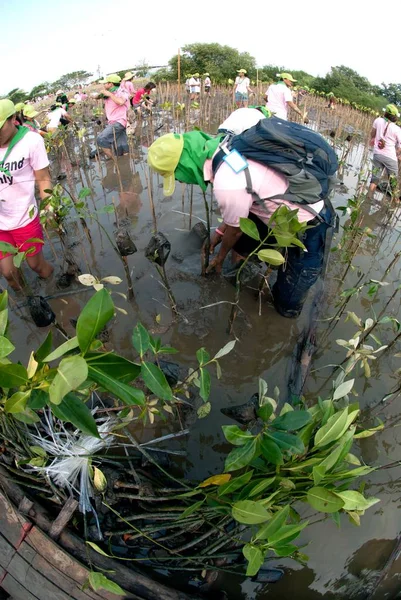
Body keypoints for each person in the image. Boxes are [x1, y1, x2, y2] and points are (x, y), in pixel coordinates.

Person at [148, 126, 334, 318]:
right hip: (275, 212)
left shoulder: (226, 182)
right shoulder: (225, 148)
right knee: (248, 247)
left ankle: (279, 321)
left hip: (309, 221)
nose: (180, 181)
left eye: (176, 175)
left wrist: (219, 259)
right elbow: (243, 202)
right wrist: (220, 233)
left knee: (288, 300)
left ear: (184, 165)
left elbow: (235, 229)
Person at [0, 99, 54, 290]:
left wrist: (48, 207)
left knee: (36, 265)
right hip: (1, 222)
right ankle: (29, 301)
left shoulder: (31, 141)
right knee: (8, 273)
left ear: (13, 118)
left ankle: (54, 288)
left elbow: (43, 178)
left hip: (24, 217)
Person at [368, 104, 401, 198]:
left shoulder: (378, 120)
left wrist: (374, 138)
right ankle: (395, 202)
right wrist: (398, 154)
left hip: (377, 154)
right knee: (393, 182)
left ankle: (368, 198)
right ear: (395, 117)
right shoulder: (397, 129)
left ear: (386, 113)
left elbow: (372, 134)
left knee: (374, 179)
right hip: (390, 157)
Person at [97, 74, 130, 159]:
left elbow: (121, 102)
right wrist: (97, 95)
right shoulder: (108, 93)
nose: (104, 85)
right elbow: (96, 97)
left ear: (110, 84)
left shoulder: (122, 91)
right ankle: (124, 162)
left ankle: (114, 161)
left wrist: (110, 94)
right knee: (121, 147)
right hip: (113, 121)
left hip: (119, 121)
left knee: (101, 139)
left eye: (105, 83)